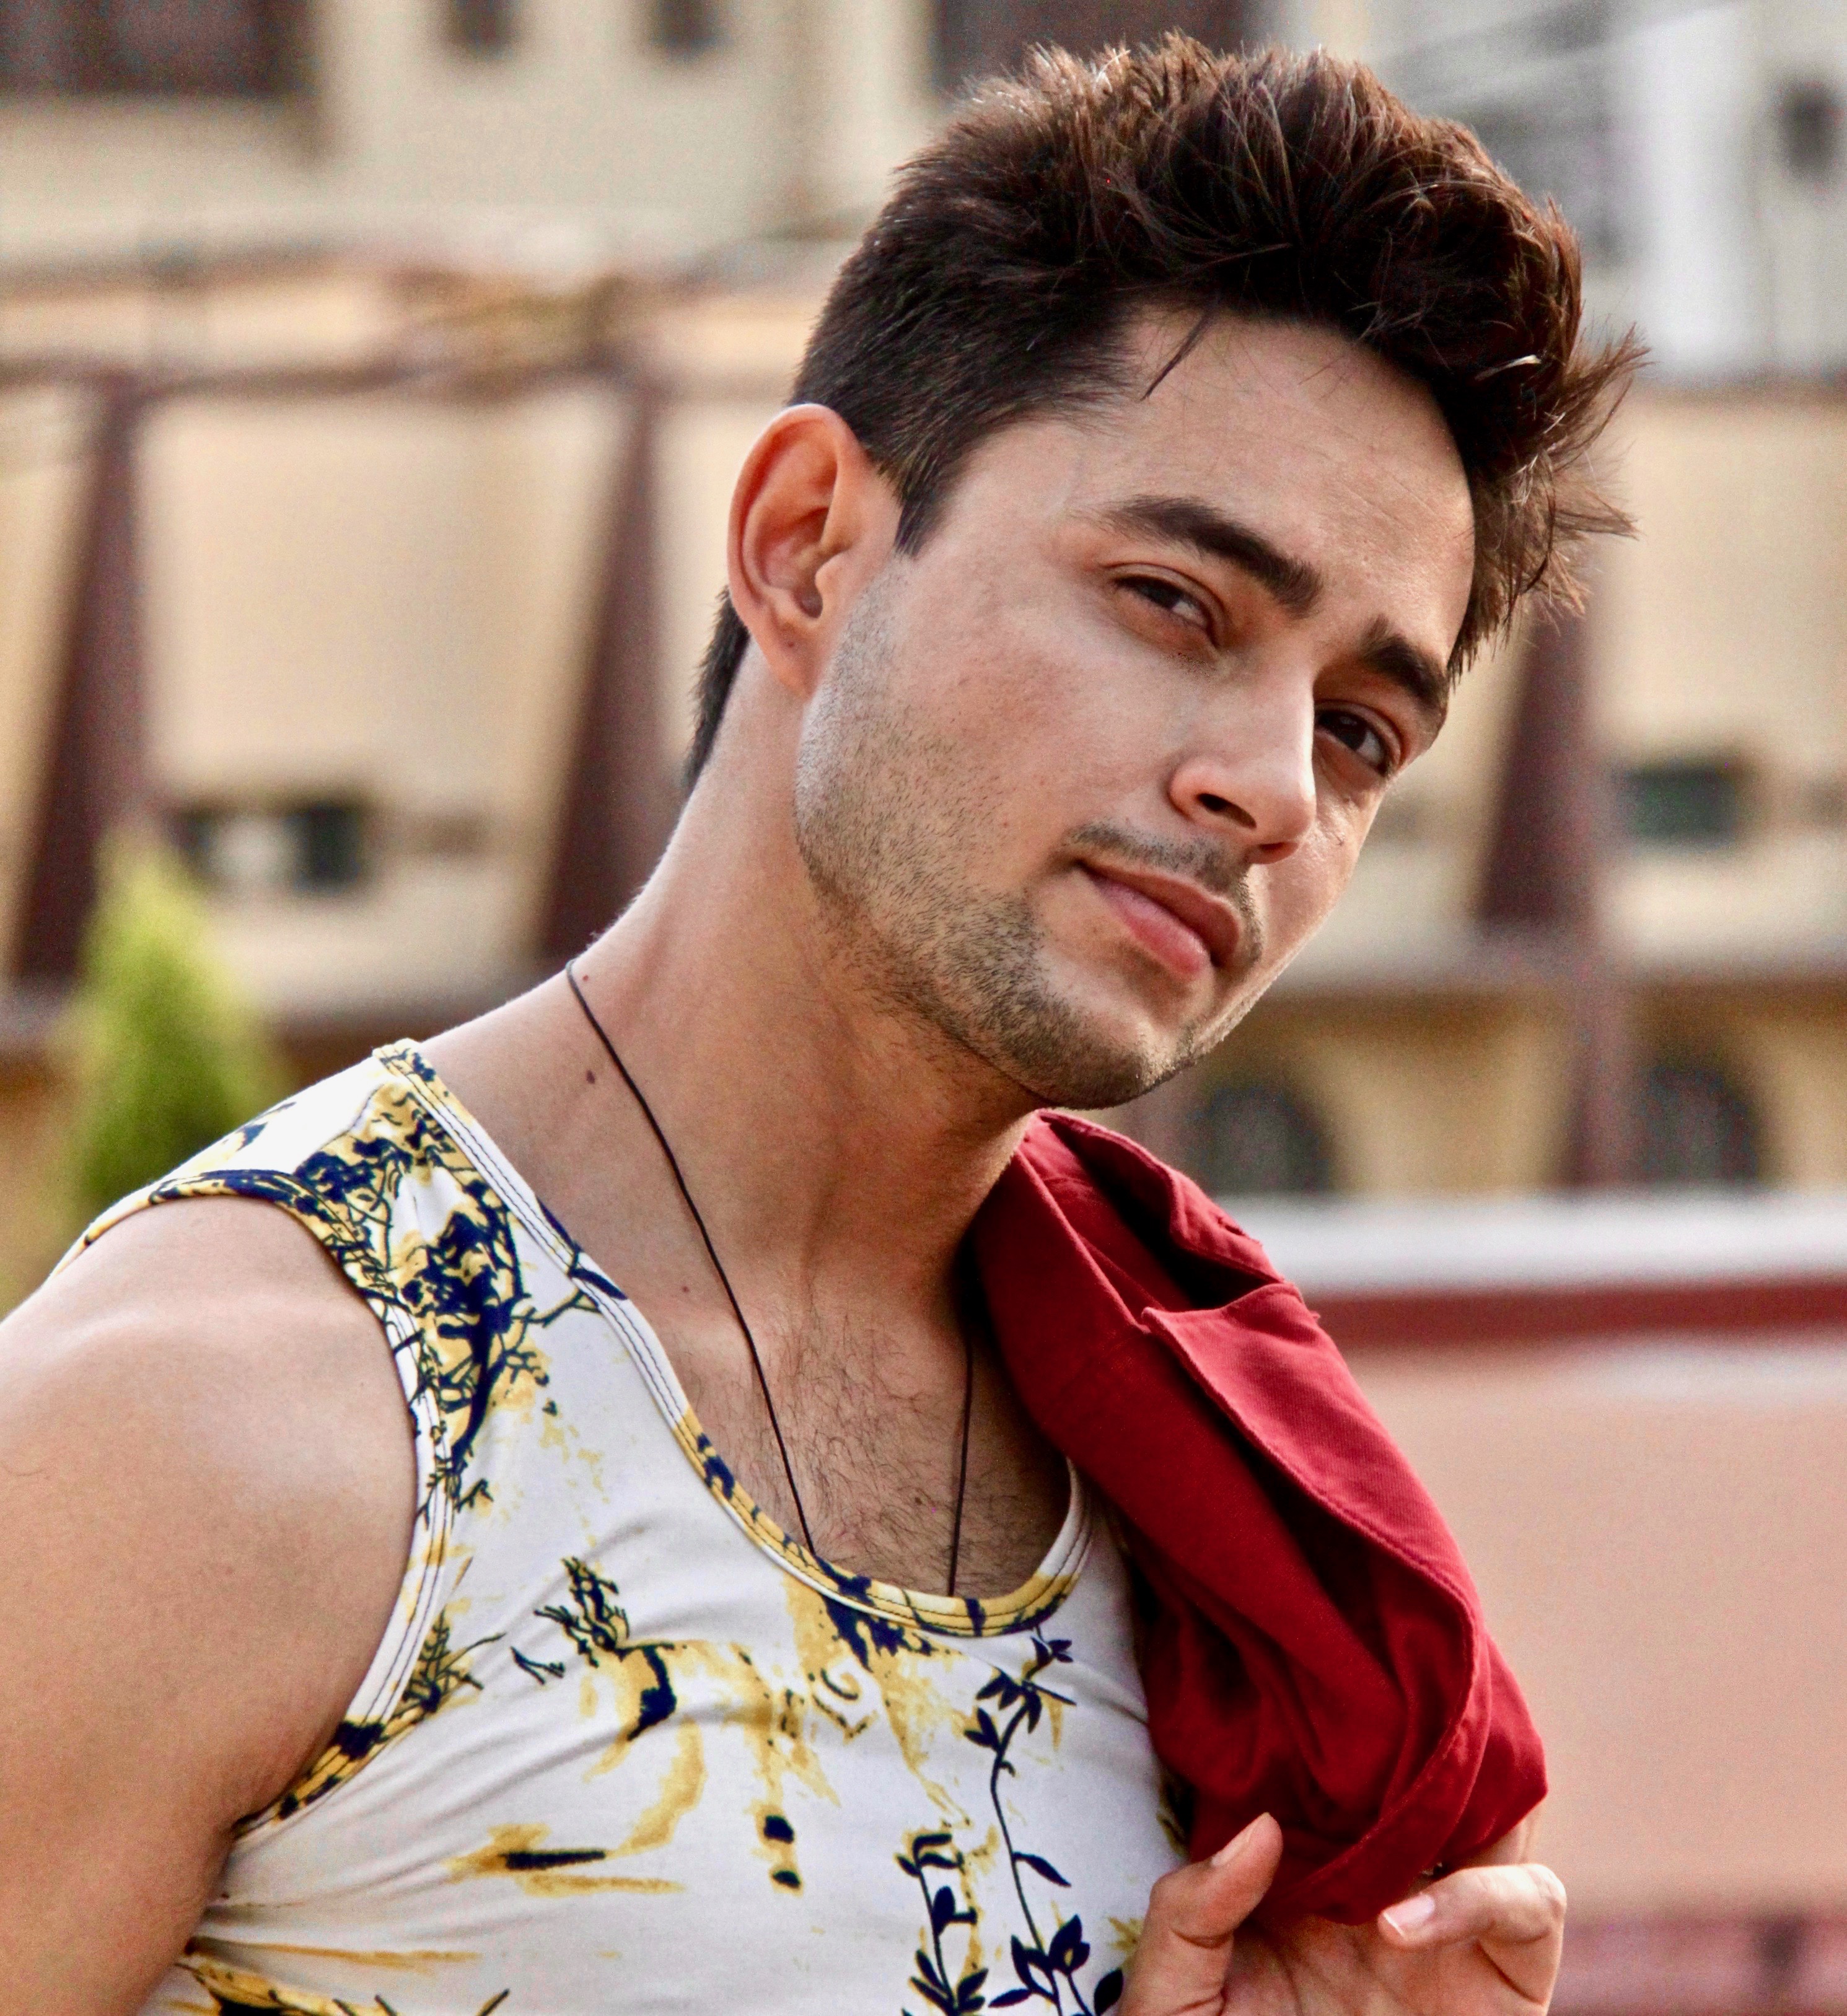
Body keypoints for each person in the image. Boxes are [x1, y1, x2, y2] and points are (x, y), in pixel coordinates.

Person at [0, 37, 1633, 2016]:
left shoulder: (1224, 1550)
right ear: (805, 547)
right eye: (1173, 600)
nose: (1276, 787)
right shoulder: (211, 1428)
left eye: (1361, 730)